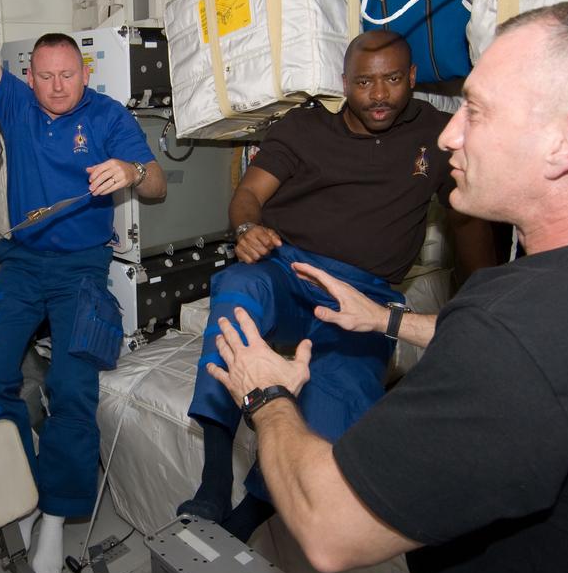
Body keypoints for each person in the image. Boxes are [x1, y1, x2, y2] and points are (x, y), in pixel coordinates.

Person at [205, 0, 568, 573]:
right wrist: (390, 322)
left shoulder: (516, 333)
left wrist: (266, 394)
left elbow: (329, 528)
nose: (451, 132)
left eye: (478, 111)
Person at [180, 30, 492, 540]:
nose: (379, 94)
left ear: (411, 78)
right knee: (238, 289)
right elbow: (249, 193)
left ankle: (245, 520)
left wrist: (482, 298)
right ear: (344, 84)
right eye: (364, 82)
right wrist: (245, 230)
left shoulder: (437, 135)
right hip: (289, 268)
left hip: (366, 295)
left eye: (392, 79)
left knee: (339, 404)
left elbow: (469, 215)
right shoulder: (304, 127)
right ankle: (214, 481)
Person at [0, 0, 167, 573]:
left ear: (83, 72)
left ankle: (58, 512)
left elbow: (158, 187)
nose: (58, 86)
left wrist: (133, 171)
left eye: (69, 74)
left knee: (71, 389)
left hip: (83, 272)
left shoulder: (109, 116)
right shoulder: (14, 105)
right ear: (28, 76)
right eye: (46, 75)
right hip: (22, 264)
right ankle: (28, 487)